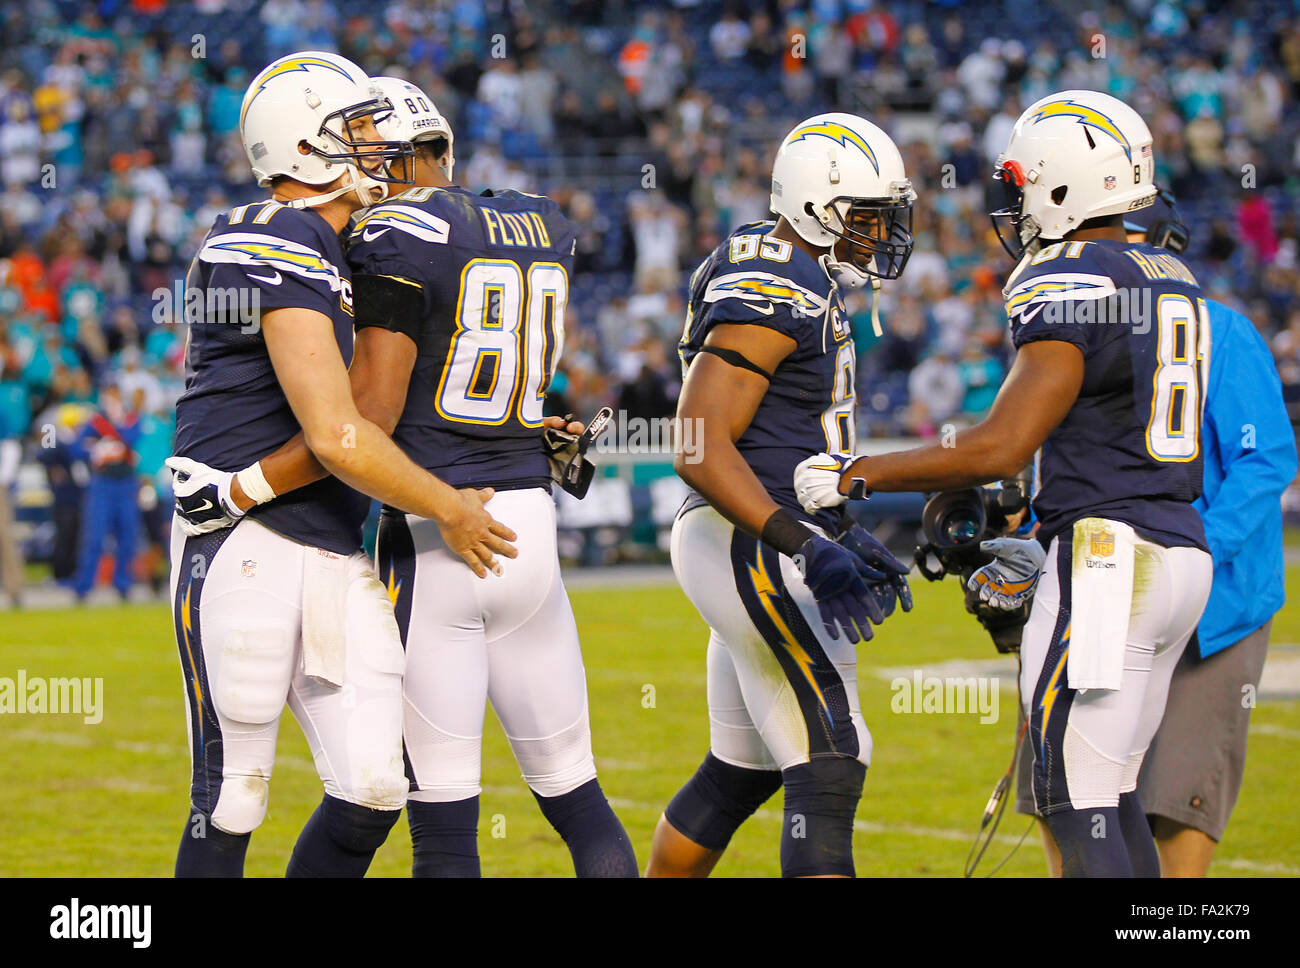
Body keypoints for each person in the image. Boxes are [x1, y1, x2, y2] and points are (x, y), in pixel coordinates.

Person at [174, 77, 638, 877]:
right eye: (353, 131)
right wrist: (242, 488)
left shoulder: (364, 241)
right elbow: (341, 430)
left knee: (375, 792)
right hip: (254, 539)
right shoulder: (272, 233)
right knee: (234, 795)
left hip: (347, 544)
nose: (375, 152)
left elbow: (379, 408)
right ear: (302, 145)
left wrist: (511, 434)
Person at [795, 92, 1213, 877]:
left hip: (1109, 561)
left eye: (1023, 184)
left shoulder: (1068, 274)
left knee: (1072, 798)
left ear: (1062, 185)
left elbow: (999, 444)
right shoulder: (1170, 271)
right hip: (1181, 553)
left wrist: (859, 471)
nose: (1015, 204)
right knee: (1113, 793)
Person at [647, 113, 913, 879]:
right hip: (751, 539)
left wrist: (836, 527)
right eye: (862, 217)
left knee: (742, 772)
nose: (876, 234)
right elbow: (696, 442)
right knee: (832, 755)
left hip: (755, 532)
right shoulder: (777, 282)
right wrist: (803, 541)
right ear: (811, 203)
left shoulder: (799, 274)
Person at [70, 380, 142, 601]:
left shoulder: (130, 420)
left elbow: (132, 439)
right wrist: (95, 449)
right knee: (94, 538)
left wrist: (118, 422)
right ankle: (83, 587)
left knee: (127, 537)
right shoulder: (95, 422)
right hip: (102, 485)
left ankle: (123, 585)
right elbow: (75, 449)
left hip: (126, 484)